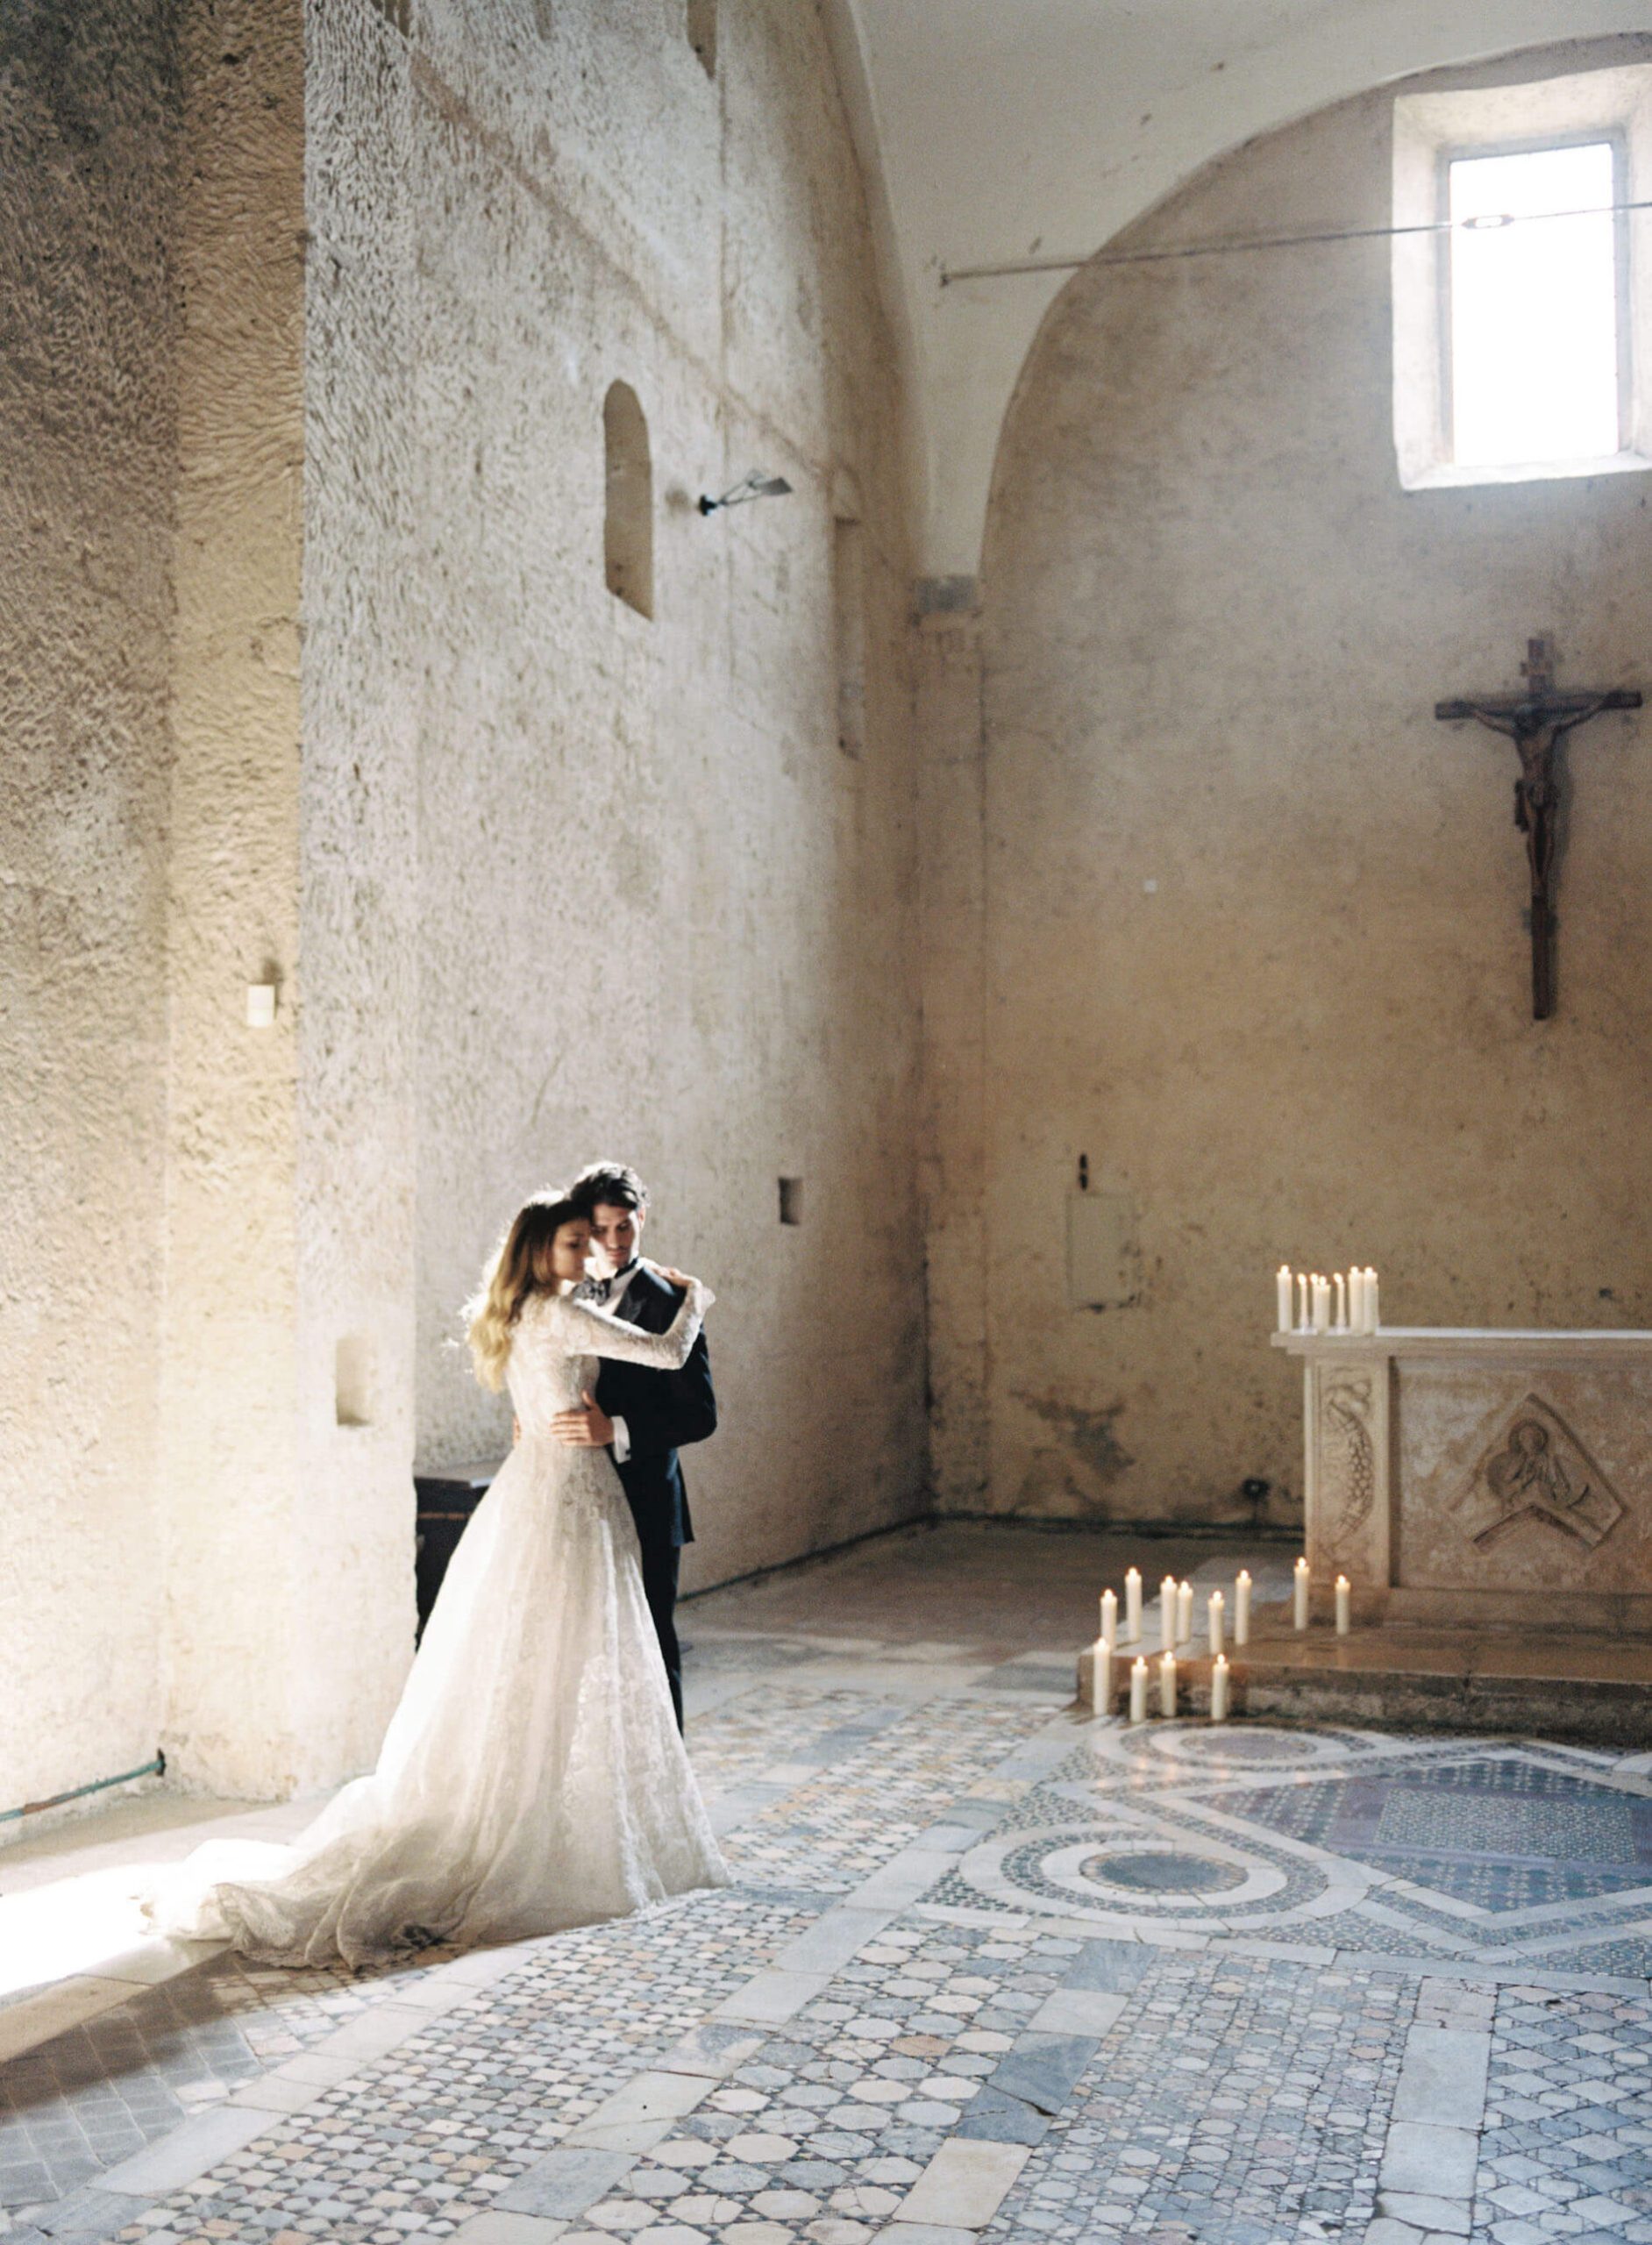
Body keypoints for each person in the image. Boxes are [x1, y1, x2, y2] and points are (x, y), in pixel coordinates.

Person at [141, 1189, 729, 1968]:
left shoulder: (522, 1312)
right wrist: (696, 1298)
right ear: (537, 1251)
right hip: (572, 1497)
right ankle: (546, 1829)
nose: (588, 1255)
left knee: (536, 1655)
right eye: (572, 1245)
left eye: (593, 1242)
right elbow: (662, 1352)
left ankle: (543, 1808)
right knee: (575, 1650)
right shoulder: (556, 1311)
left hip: (542, 1486)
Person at [548, 1162, 715, 1729]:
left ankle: (668, 1779)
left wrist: (615, 1430)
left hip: (648, 1496)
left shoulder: (671, 1300)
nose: (615, 1242)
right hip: (579, 1497)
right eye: (602, 1230)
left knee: (651, 1639)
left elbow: (701, 1414)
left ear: (643, 1218)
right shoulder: (567, 1296)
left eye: (626, 1227)